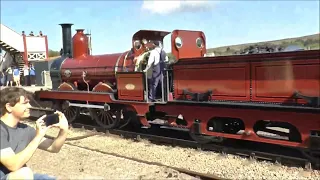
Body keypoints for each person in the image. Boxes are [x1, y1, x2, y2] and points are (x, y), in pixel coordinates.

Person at [0, 87, 69, 180]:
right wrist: (38, 136)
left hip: (21, 176)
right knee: (25, 173)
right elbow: (13, 165)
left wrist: (64, 131)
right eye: (25, 103)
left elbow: (53, 147)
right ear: (9, 107)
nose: (29, 106)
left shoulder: (25, 129)